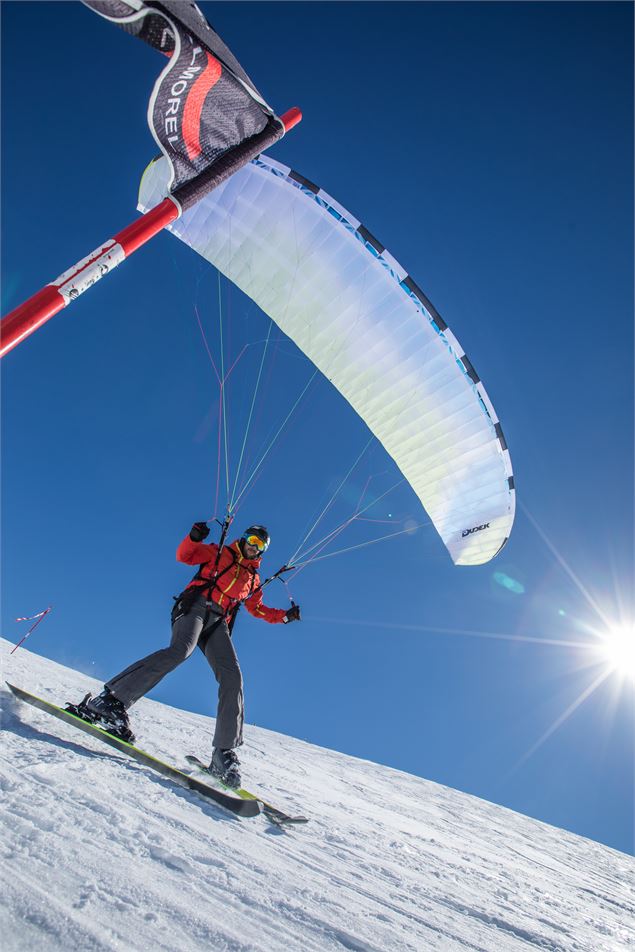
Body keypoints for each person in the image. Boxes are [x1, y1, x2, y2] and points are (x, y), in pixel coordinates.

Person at [78, 522, 301, 787]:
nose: (254, 547)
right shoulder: (220, 553)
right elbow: (185, 556)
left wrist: (284, 617)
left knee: (233, 678)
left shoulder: (252, 579)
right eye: (252, 540)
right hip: (194, 607)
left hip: (218, 624)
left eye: (260, 545)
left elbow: (258, 608)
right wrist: (193, 538)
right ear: (243, 539)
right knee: (180, 651)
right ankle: (111, 701)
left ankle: (223, 753)